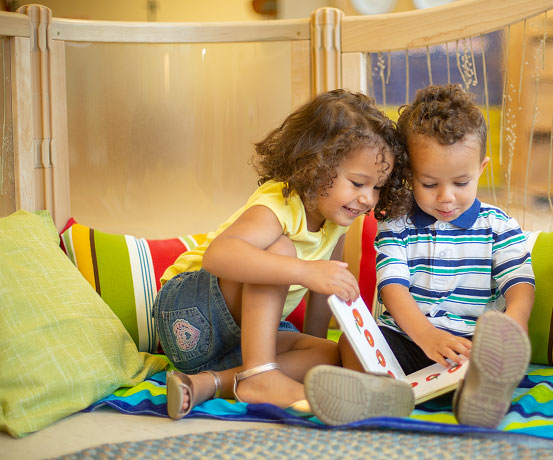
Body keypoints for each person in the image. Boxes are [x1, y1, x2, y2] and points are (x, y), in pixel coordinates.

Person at [153, 89, 411, 420]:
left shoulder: (337, 220)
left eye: (376, 187)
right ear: (316, 164)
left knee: (327, 355)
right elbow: (218, 256)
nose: (368, 199)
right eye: (358, 183)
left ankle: (209, 383)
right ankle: (261, 376)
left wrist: (312, 344)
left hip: (229, 345)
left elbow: (323, 292)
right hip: (188, 312)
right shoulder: (280, 202)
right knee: (279, 250)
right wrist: (304, 271)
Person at [305, 84, 535, 428]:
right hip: (408, 340)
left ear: (481, 169)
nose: (446, 198)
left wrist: (514, 324)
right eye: (429, 184)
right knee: (352, 344)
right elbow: (392, 289)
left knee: (492, 357)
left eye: (461, 182)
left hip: (469, 345)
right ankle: (380, 394)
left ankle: (479, 394)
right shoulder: (396, 223)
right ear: (410, 174)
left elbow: (519, 284)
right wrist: (427, 336)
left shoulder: (498, 225)